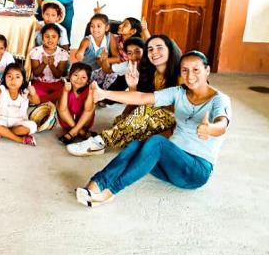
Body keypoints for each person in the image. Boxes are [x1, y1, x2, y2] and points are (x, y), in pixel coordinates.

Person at [76, 51, 232, 207]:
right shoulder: (179, 92)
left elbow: (222, 125)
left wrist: (210, 129)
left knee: (157, 142)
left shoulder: (219, 99)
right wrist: (104, 94)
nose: (190, 75)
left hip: (195, 172)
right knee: (137, 145)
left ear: (207, 70)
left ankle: (109, 192)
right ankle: (95, 185)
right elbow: (142, 98)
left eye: (196, 69)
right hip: (169, 166)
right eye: (185, 70)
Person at [67, 34, 181, 157]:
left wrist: (104, 94)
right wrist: (132, 86)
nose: (154, 52)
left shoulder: (181, 73)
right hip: (151, 113)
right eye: (151, 49)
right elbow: (138, 98)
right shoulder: (152, 72)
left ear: (170, 49)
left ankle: (99, 142)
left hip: (177, 121)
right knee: (122, 122)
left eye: (159, 47)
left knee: (142, 114)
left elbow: (144, 100)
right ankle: (138, 140)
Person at [0, 63, 40, 146]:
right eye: (9, 76)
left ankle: (3, 132)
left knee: (33, 126)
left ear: (23, 80)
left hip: (19, 122)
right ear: (4, 78)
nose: (13, 80)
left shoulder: (25, 91)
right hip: (2, 120)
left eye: (17, 77)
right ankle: (20, 139)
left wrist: (33, 93)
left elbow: (37, 101)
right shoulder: (3, 89)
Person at [75, 13, 120, 91]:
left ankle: (103, 92)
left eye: (99, 26)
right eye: (92, 26)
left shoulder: (110, 37)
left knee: (114, 72)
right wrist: (79, 55)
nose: (95, 29)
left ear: (106, 28)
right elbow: (80, 52)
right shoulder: (87, 40)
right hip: (88, 73)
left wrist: (104, 60)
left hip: (102, 71)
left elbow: (117, 58)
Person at [29, 23, 69, 103]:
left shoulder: (63, 53)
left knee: (66, 92)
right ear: (42, 38)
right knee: (32, 90)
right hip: (39, 83)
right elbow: (36, 73)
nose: (50, 40)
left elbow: (58, 76)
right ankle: (51, 100)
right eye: (47, 36)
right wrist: (44, 64)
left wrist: (51, 65)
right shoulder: (36, 51)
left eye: (54, 37)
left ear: (58, 39)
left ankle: (41, 100)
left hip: (56, 83)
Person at [57, 63, 95, 144]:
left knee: (92, 104)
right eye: (76, 75)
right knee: (59, 104)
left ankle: (73, 132)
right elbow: (62, 110)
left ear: (88, 81)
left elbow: (88, 110)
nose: (79, 79)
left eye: (83, 77)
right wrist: (65, 91)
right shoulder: (64, 87)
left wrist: (91, 92)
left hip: (84, 123)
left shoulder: (88, 90)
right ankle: (81, 132)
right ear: (69, 76)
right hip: (68, 122)